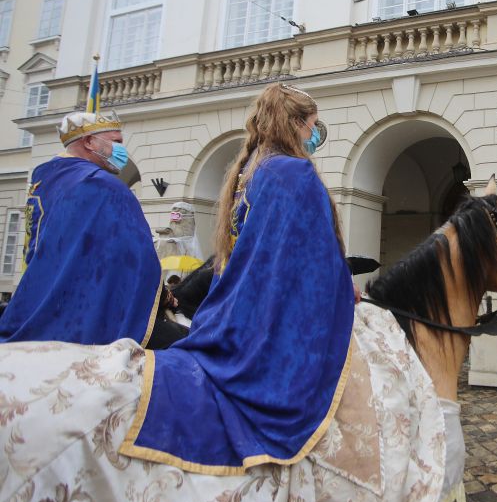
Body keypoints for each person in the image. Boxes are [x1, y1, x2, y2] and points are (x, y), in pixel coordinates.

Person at [118, 83, 357, 473]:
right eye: (313, 125)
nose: (314, 135)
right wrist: (342, 285)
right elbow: (312, 254)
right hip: (264, 316)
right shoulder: (292, 172)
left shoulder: (250, 169)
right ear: (296, 123)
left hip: (230, 306)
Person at [0, 110, 162, 345]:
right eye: (116, 142)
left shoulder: (44, 181)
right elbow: (135, 254)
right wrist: (163, 293)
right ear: (89, 142)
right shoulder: (104, 185)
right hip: (84, 308)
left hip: (37, 298)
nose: (121, 151)